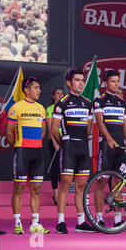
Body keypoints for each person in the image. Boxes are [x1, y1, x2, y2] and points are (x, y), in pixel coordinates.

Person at [51, 69, 96, 233]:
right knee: (65, 185)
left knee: (81, 187)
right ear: (69, 83)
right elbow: (54, 129)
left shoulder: (88, 103)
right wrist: (63, 144)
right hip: (69, 147)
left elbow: (89, 129)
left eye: (82, 80)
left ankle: (81, 221)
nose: (81, 83)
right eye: (77, 80)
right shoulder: (62, 103)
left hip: (83, 147)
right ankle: (61, 221)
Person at [6, 76, 49, 234]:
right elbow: (9, 132)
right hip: (22, 152)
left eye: (39, 88)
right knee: (18, 188)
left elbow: (43, 131)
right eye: (36, 88)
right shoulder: (16, 107)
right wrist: (17, 147)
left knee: (36, 189)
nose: (39, 91)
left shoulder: (41, 108)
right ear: (27, 90)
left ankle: (35, 224)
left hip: (37, 152)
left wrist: (34, 143)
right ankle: (17, 223)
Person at [93, 70, 126, 227]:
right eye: (113, 81)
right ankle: (99, 218)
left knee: (118, 182)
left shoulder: (122, 103)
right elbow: (100, 123)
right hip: (106, 145)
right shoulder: (99, 101)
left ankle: (117, 218)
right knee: (102, 182)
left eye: (118, 81)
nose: (116, 84)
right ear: (105, 83)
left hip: (121, 147)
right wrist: (109, 139)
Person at [45, 88, 64, 205]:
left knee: (64, 168)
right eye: (58, 93)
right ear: (53, 96)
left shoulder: (65, 107)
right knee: (56, 167)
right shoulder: (50, 109)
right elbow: (50, 126)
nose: (60, 95)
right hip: (54, 141)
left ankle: (62, 195)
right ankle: (55, 193)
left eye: (62, 94)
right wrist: (55, 142)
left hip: (65, 140)